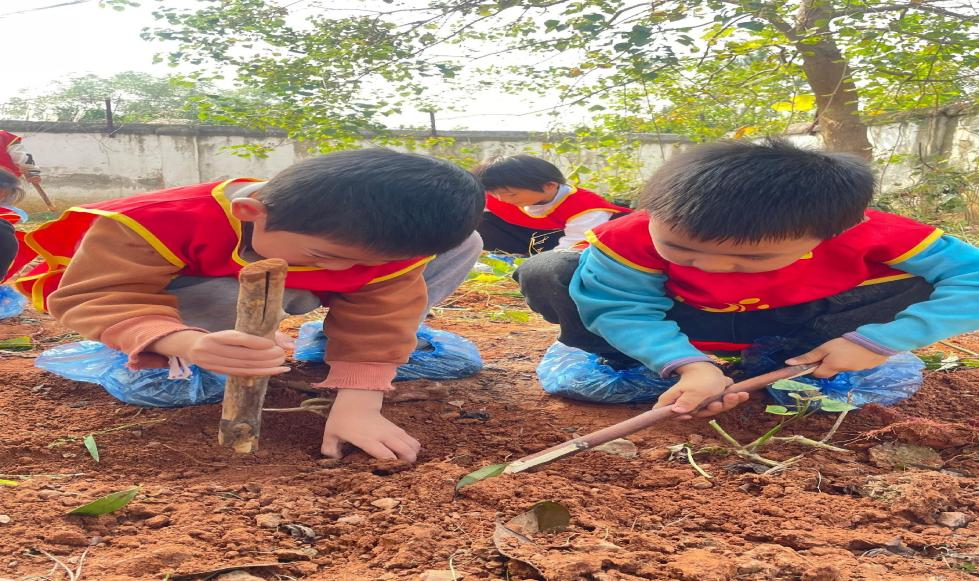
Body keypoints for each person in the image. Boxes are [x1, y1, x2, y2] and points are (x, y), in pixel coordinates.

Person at [8, 149, 485, 461]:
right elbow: (98, 293)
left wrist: (360, 401)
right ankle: (181, 352)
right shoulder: (157, 221)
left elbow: (382, 311)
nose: (349, 271)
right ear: (252, 213)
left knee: (464, 247)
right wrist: (185, 342)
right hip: (184, 299)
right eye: (328, 255)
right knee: (226, 295)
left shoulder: (372, 248)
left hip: (291, 287)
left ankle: (331, 347)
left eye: (367, 263)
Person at [515, 139, 979, 415]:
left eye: (749, 258)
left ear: (833, 231)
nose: (712, 266)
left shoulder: (874, 233)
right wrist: (687, 364)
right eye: (681, 250)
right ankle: (637, 362)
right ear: (651, 211)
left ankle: (805, 361)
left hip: (804, 325)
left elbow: (971, 277)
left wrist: (876, 342)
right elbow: (622, 307)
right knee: (551, 271)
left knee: (921, 279)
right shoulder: (627, 237)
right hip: (686, 321)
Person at [473, 154, 629, 255]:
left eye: (512, 194)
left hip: (578, 244)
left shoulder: (586, 207)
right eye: (495, 194)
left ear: (550, 185)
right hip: (533, 243)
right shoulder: (495, 197)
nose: (501, 199)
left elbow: (573, 248)